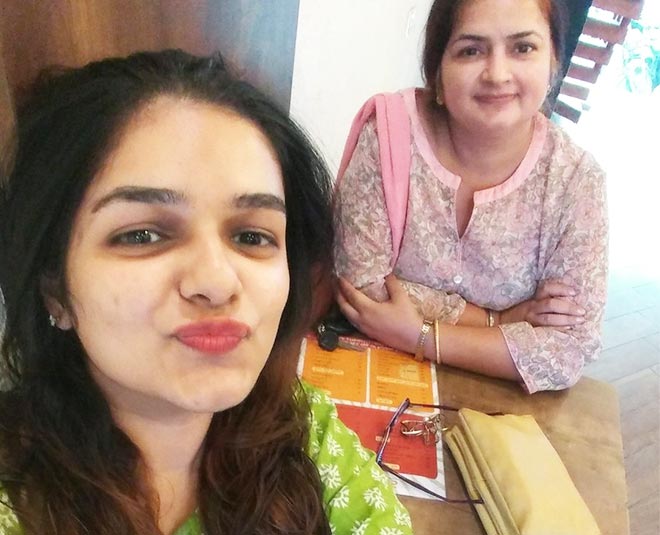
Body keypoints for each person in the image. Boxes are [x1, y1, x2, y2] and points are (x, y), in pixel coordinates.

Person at [0, 50, 412, 535]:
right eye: (142, 235)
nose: (217, 282)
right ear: (54, 288)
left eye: (252, 236)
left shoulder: (307, 436)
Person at [334, 0, 608, 393]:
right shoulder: (389, 135)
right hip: (372, 377)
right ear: (438, 71)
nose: (497, 74)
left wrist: (420, 335)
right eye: (471, 50)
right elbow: (360, 289)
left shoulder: (576, 182)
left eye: (523, 48)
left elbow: (567, 351)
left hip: (504, 403)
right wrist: (497, 321)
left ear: (553, 61)